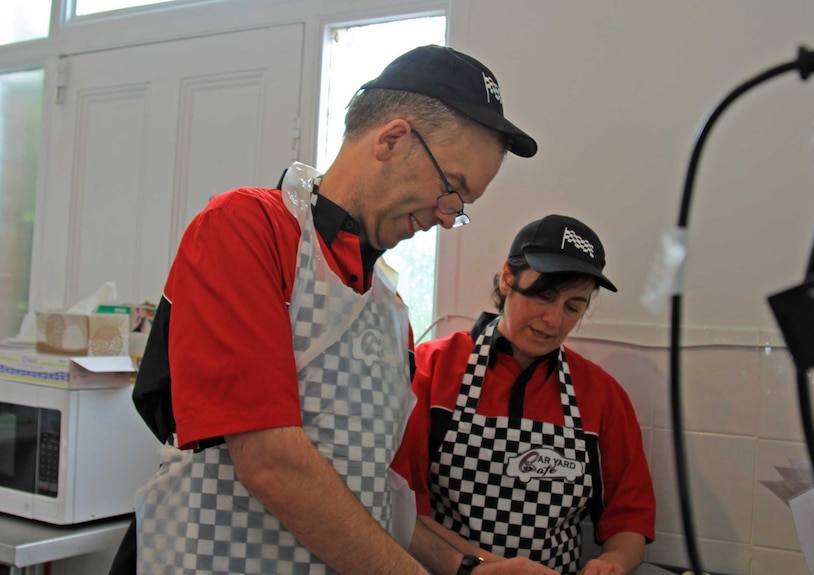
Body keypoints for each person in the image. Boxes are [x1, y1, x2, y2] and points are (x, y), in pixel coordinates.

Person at [109, 45, 538, 575]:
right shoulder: (247, 228)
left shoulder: (389, 308)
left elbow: (378, 492)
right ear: (392, 139)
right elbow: (269, 459)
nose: (449, 218)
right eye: (452, 190)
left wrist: (469, 566)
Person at [392, 214, 656, 575]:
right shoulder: (431, 371)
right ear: (507, 278)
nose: (553, 320)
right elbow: (403, 509)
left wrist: (612, 563)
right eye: (543, 296)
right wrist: (488, 567)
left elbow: (629, 520)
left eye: (573, 307)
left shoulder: (602, 397)